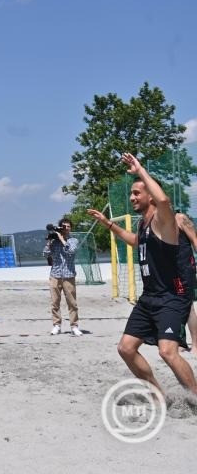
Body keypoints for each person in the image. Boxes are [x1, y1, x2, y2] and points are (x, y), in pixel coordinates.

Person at [87, 153, 197, 396]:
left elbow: (164, 200)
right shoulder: (142, 224)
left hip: (171, 296)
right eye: (132, 193)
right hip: (149, 297)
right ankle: (159, 395)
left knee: (167, 351)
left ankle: (195, 396)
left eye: (137, 193)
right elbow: (136, 242)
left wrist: (140, 170)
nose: (132, 197)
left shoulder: (164, 220)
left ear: (149, 194)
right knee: (126, 348)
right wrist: (108, 224)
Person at [43, 217, 81, 336]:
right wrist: (49, 242)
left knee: (72, 303)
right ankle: (56, 325)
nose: (66, 229)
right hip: (55, 274)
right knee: (55, 302)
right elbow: (45, 254)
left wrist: (62, 238)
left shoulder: (73, 240)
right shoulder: (54, 241)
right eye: (64, 226)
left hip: (69, 275)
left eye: (68, 227)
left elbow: (71, 251)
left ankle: (74, 326)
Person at [174, 211, 197, 355]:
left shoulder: (179, 218)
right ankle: (180, 342)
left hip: (185, 268)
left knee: (187, 306)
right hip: (169, 270)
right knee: (173, 304)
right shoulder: (154, 221)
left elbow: (195, 240)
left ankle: (195, 344)